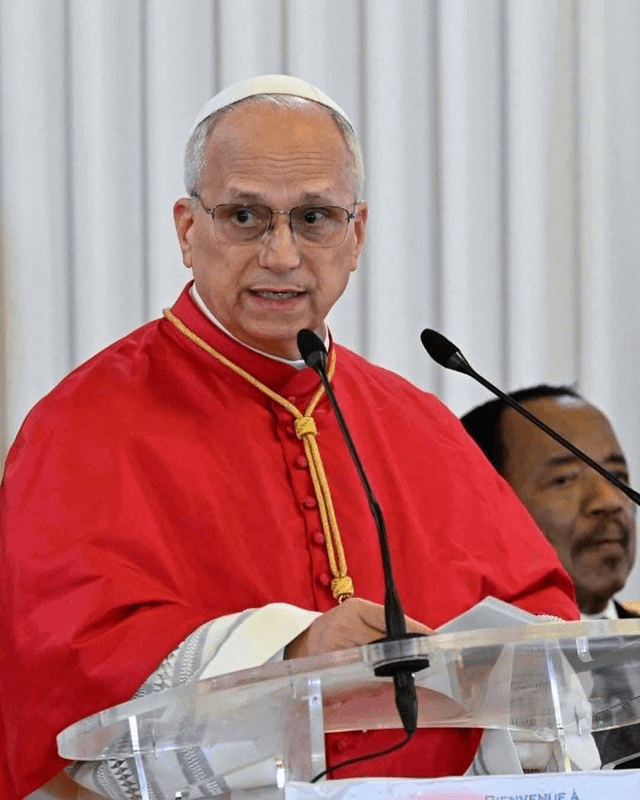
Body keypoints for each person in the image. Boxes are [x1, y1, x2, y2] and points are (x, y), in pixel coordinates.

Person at [0, 76, 578, 799]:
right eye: (245, 216)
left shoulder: (420, 424)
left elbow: (546, 634)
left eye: (313, 218)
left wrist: (508, 670)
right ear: (187, 230)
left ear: (355, 235)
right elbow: (64, 669)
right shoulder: (83, 425)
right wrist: (293, 652)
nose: (281, 254)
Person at [461, 384, 640, 768]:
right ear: (486, 503)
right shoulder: (462, 673)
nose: (610, 500)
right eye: (564, 479)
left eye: (617, 475)